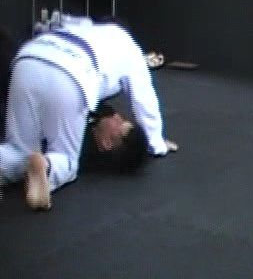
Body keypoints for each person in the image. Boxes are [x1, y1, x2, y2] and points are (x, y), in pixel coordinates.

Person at [0, 15, 177, 211]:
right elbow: (144, 99)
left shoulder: (89, 28)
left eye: (121, 122)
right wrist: (157, 144)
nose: (118, 116)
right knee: (66, 159)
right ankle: (48, 167)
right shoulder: (130, 48)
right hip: (71, 72)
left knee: (18, 149)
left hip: (28, 59)